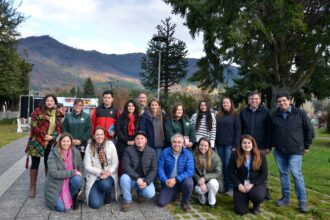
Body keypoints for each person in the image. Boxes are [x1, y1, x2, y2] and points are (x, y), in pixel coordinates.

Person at [271, 92, 314, 212]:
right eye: (279, 101)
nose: (282, 103)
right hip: (279, 151)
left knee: (296, 175)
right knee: (283, 174)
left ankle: (302, 202)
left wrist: (307, 146)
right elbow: (271, 131)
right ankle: (285, 198)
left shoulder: (299, 113)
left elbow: (309, 129)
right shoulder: (275, 115)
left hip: (295, 151)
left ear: (290, 101)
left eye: (284, 100)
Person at [25, 94, 62, 198]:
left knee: (48, 164)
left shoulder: (58, 113)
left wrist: (52, 137)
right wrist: (44, 136)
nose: (49, 102)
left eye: (51, 101)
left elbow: (59, 129)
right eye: (47, 101)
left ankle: (48, 186)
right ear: (44, 102)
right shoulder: (37, 111)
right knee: (35, 164)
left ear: (55, 102)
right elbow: (34, 126)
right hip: (37, 141)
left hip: (51, 142)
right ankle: (32, 188)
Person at [240, 90, 272, 200]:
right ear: (249, 100)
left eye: (256, 99)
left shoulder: (266, 112)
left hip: (261, 145)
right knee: (248, 166)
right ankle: (247, 184)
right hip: (247, 145)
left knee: (262, 168)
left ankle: (265, 189)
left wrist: (268, 145)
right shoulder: (244, 112)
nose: (254, 100)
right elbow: (241, 129)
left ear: (260, 100)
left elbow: (269, 129)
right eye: (252, 99)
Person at [228, 134, 268, 215]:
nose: (247, 145)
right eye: (244, 143)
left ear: (253, 144)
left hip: (256, 183)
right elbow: (230, 172)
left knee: (257, 196)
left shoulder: (261, 155)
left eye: (249, 143)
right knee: (240, 211)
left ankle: (256, 205)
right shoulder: (234, 154)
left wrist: (251, 184)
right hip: (241, 183)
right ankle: (245, 198)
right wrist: (238, 184)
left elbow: (264, 175)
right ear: (241, 144)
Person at [44, 133, 84, 212]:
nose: (66, 143)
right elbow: (54, 173)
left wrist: (82, 187)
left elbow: (81, 170)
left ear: (71, 142)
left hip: (70, 181)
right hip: (56, 185)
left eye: (68, 141)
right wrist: (73, 172)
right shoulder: (53, 153)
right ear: (59, 142)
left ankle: (72, 197)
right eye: (63, 141)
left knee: (77, 179)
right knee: (61, 208)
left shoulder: (75, 152)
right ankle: (65, 197)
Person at [120, 131, 157, 212]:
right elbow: (125, 166)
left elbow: (154, 170)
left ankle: (140, 193)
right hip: (132, 179)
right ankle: (127, 199)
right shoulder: (128, 150)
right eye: (137, 138)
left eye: (142, 138)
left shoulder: (152, 152)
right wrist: (137, 178)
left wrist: (146, 182)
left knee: (150, 194)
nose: (139, 141)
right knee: (124, 178)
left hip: (145, 179)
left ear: (146, 140)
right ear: (134, 140)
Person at [157, 133, 194, 212]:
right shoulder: (164, 152)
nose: (176, 144)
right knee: (161, 202)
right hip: (169, 181)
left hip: (181, 181)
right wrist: (164, 180)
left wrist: (176, 179)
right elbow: (160, 168)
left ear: (183, 143)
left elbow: (190, 171)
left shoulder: (188, 154)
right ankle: (175, 193)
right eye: (174, 142)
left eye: (179, 142)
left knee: (189, 183)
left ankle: (184, 202)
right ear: (171, 143)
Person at [84, 127, 119, 209]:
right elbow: (87, 166)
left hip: (108, 176)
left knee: (105, 184)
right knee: (95, 205)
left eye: (101, 134)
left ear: (104, 135)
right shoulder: (89, 147)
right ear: (93, 136)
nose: (99, 137)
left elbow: (115, 163)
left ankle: (107, 195)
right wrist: (101, 172)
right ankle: (100, 192)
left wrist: (108, 173)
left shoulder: (110, 145)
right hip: (94, 178)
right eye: (97, 135)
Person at [215, 97, 241, 196]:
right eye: (224, 103)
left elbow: (238, 131)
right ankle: (224, 185)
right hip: (220, 144)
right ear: (222, 104)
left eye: (227, 103)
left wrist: (235, 145)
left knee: (228, 165)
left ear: (231, 104)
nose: (226, 104)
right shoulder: (218, 115)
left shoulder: (235, 115)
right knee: (221, 165)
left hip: (230, 145)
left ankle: (230, 186)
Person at [193, 137, 224, 208]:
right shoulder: (194, 155)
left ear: (209, 147)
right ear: (198, 145)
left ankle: (212, 201)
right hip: (199, 181)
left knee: (213, 183)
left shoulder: (215, 156)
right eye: (201, 145)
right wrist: (200, 181)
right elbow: (193, 172)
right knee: (202, 200)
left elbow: (218, 173)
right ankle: (202, 194)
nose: (203, 147)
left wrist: (204, 178)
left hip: (211, 180)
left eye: (205, 146)